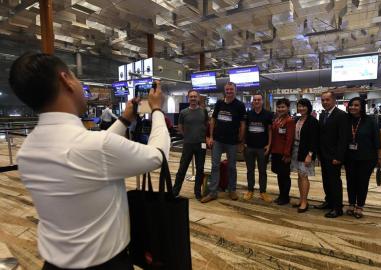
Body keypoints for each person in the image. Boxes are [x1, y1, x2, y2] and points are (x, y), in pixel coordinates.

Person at [8, 52, 170, 270]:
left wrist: (124, 119)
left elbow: (95, 151)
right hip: (107, 265)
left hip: (53, 264)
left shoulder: (27, 150)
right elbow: (157, 155)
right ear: (65, 80)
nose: (79, 82)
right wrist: (157, 109)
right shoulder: (95, 146)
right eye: (75, 77)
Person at [201, 82, 246, 203]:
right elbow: (213, 120)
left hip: (232, 141)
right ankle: (213, 192)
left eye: (231, 89)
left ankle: (232, 189)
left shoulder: (240, 105)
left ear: (235, 90)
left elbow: (242, 124)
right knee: (215, 166)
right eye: (227, 89)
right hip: (218, 140)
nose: (229, 91)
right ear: (224, 91)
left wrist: (241, 141)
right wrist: (210, 136)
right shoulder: (219, 103)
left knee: (232, 167)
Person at [345, 97, 381, 218]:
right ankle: (351, 203)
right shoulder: (346, 120)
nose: (353, 107)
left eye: (356, 105)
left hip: (367, 158)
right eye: (351, 105)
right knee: (350, 181)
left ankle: (360, 206)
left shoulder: (370, 121)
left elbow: (377, 140)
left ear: (362, 107)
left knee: (362, 182)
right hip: (349, 157)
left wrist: (379, 156)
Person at [316, 91, 348, 218]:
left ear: (334, 100)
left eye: (327, 100)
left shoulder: (341, 115)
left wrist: (339, 157)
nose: (325, 102)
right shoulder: (323, 115)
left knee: (335, 182)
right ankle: (329, 201)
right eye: (323, 100)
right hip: (324, 155)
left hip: (334, 156)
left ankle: (337, 207)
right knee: (326, 180)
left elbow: (343, 138)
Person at [173, 90, 208, 200]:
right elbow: (180, 126)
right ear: (188, 98)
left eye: (195, 96)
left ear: (198, 98)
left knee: (200, 169)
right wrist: (187, 136)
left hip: (201, 144)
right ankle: (175, 192)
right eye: (191, 97)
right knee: (182, 168)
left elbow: (206, 125)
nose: (193, 98)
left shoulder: (204, 112)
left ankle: (197, 192)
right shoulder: (183, 112)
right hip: (188, 144)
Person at [243, 93, 273, 202]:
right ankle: (250, 190)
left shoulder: (268, 114)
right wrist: (244, 142)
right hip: (249, 147)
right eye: (255, 100)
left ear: (262, 101)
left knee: (262, 171)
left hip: (262, 148)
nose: (256, 101)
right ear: (252, 102)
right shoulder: (248, 114)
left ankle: (263, 192)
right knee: (250, 170)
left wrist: (269, 145)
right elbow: (245, 129)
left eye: (258, 100)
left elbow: (270, 130)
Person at [291, 98, 319, 213]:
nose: (301, 108)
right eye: (299, 106)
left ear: (308, 107)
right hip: (296, 150)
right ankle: (301, 198)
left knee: (304, 176)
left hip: (306, 151)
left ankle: (304, 202)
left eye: (304, 106)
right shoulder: (297, 119)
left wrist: (310, 155)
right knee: (299, 175)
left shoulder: (312, 121)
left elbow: (315, 140)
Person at [270, 98, 295, 205]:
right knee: (280, 175)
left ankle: (285, 197)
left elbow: (290, 139)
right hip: (275, 151)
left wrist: (287, 153)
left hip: (284, 153)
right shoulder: (276, 120)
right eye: (279, 107)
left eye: (283, 107)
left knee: (285, 175)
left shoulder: (289, 121)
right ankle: (281, 195)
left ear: (287, 108)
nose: (280, 109)